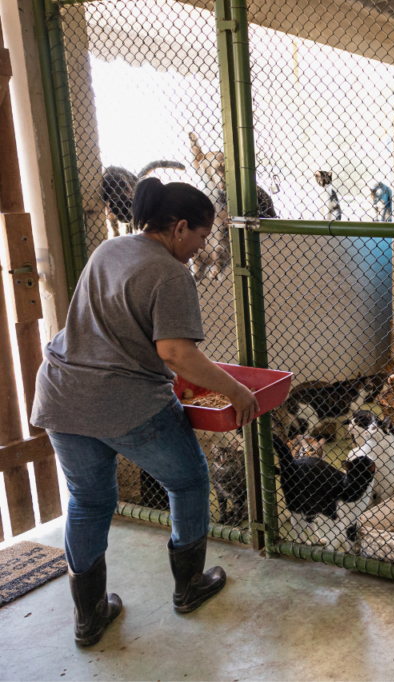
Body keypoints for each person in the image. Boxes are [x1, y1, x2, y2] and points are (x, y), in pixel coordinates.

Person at [31, 178, 260, 647]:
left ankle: (89, 617)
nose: (201, 247)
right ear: (179, 228)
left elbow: (112, 330)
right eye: (200, 236)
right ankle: (189, 586)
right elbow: (176, 352)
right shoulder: (172, 273)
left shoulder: (108, 250)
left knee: (90, 500)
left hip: (61, 394)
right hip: (122, 401)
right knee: (189, 479)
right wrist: (237, 391)